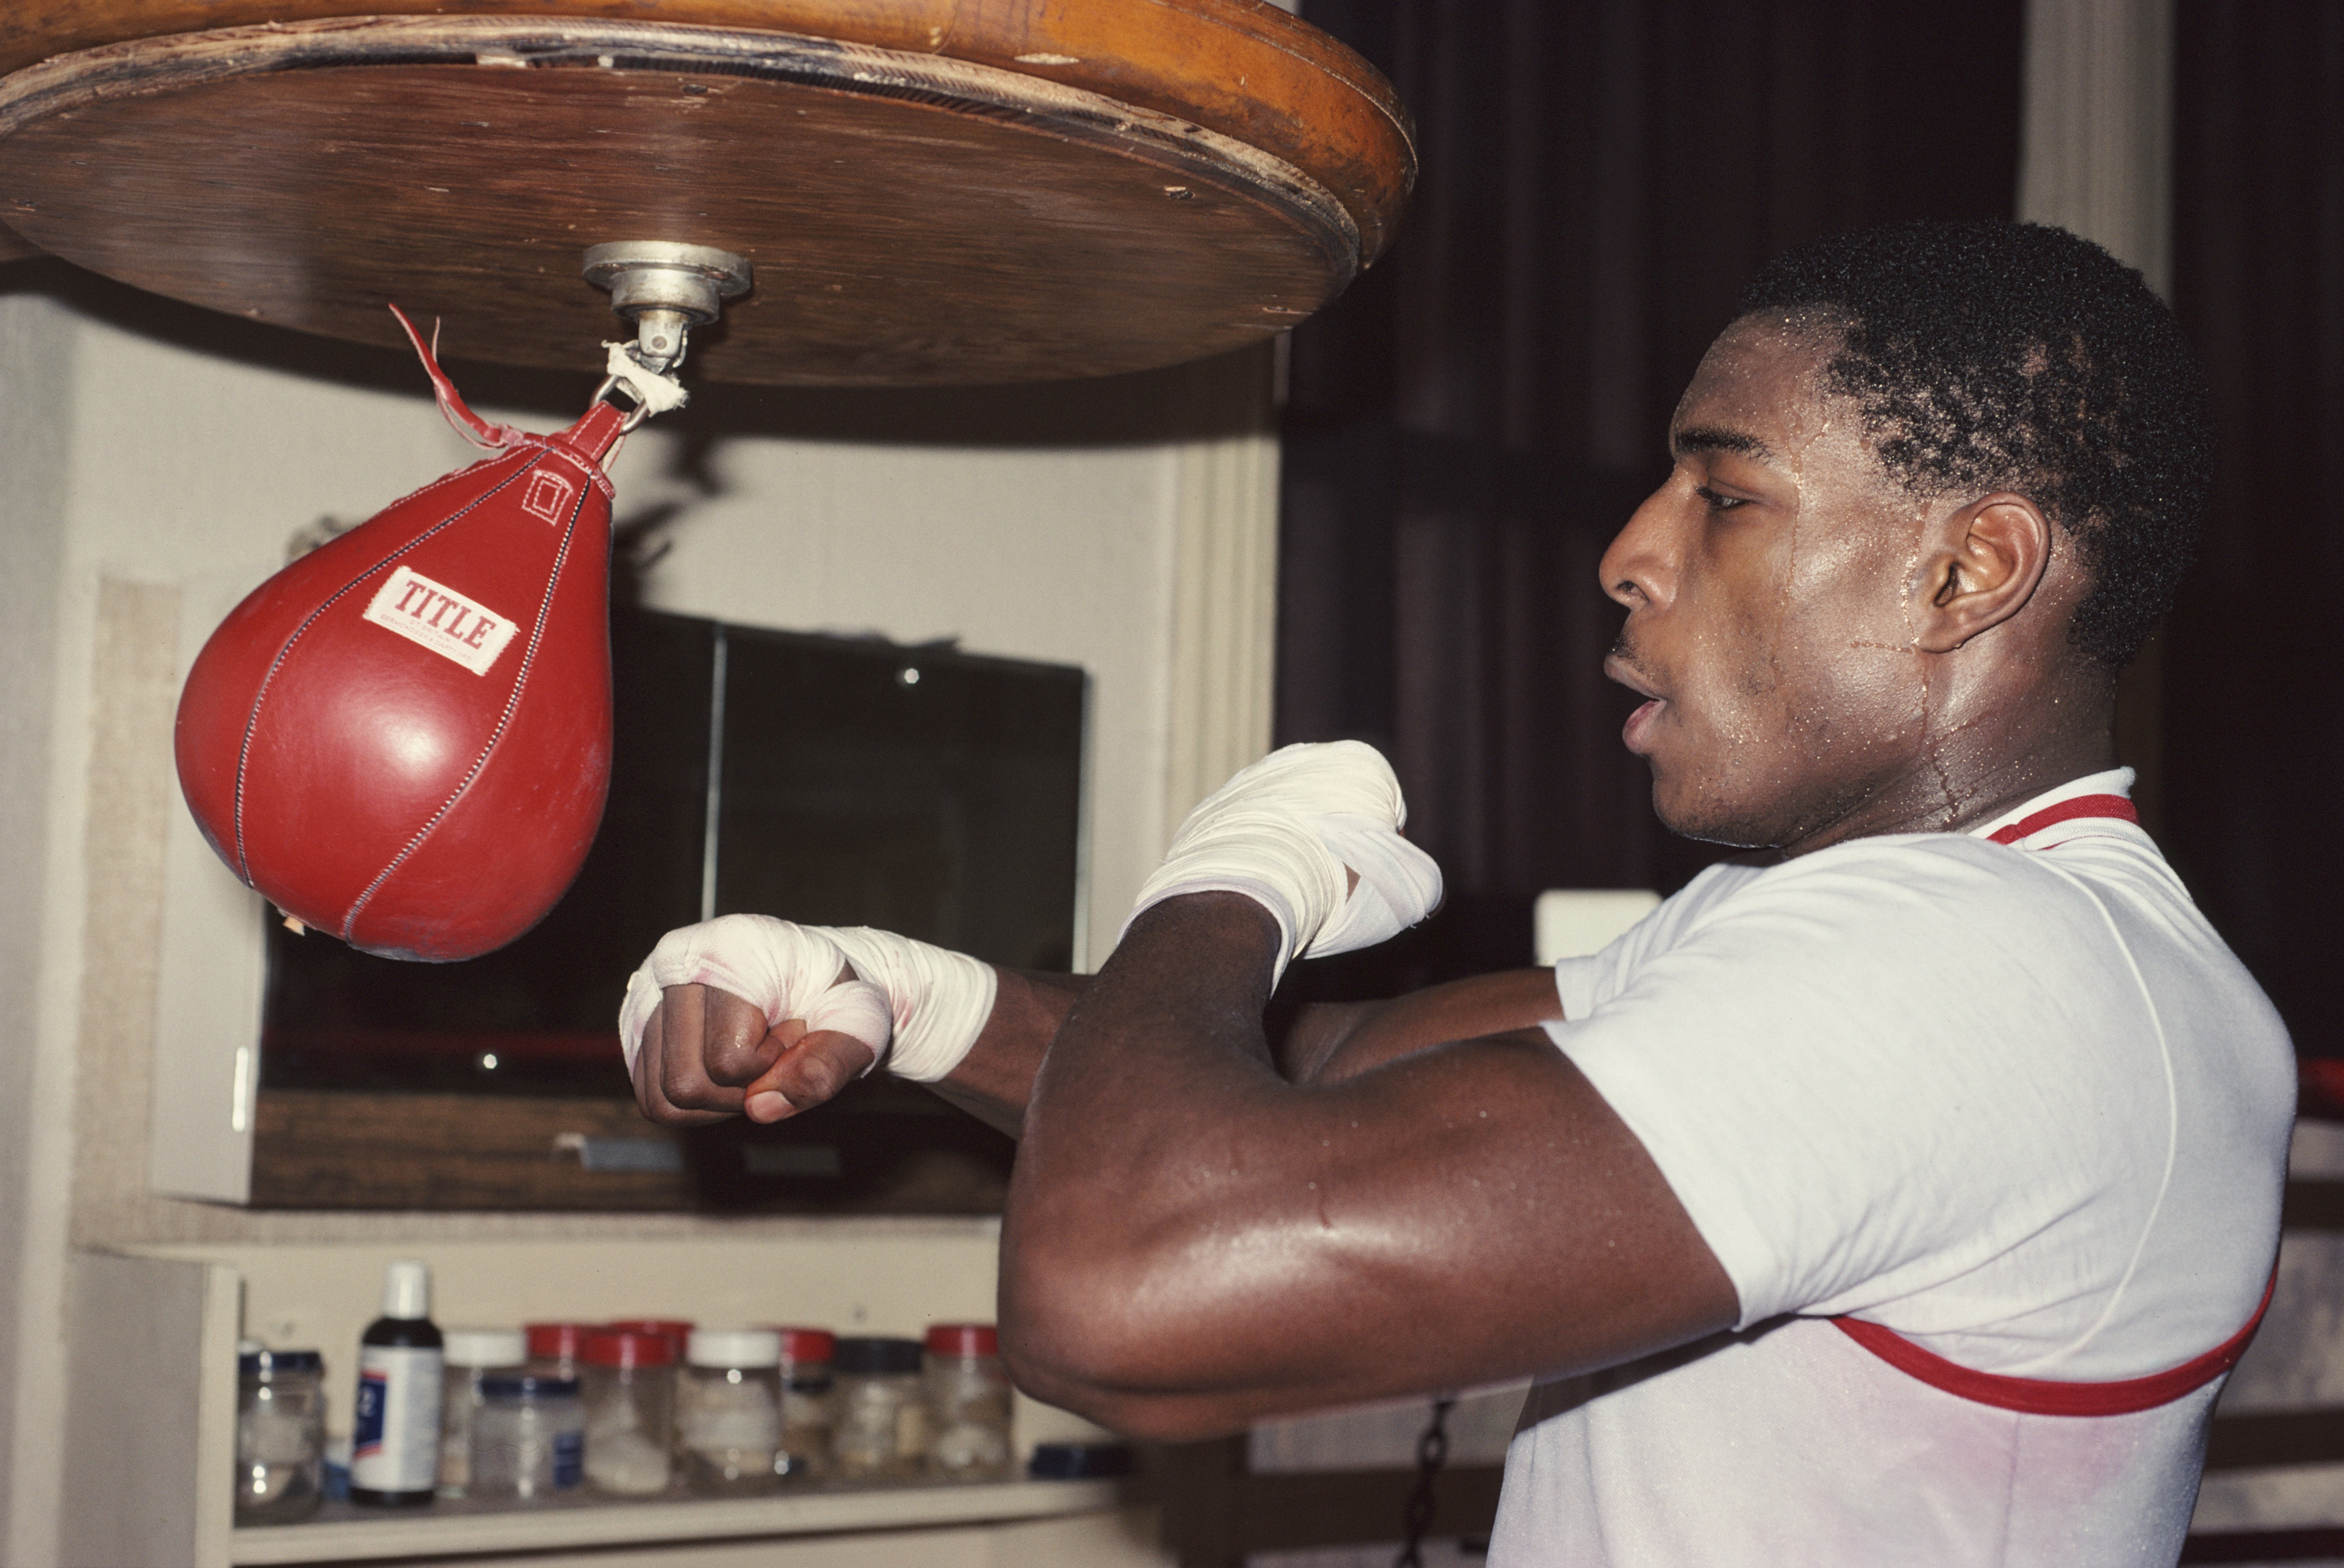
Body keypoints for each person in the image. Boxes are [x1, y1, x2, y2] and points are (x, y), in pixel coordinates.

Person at [618, 220, 2295, 1565]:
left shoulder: (1976, 971)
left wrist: (1237, 872)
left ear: (1969, 569)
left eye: (1723, 495)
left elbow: (1130, 1290)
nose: (1629, 551)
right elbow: (1320, 1082)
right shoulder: (1962, 930)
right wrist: (895, 992)